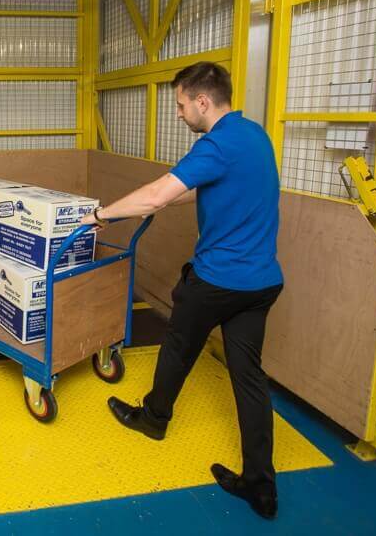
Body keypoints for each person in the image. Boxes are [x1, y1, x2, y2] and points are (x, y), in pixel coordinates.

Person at [80, 62, 284, 519]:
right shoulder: (255, 136)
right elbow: (209, 187)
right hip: (262, 282)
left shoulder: (216, 144)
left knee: (178, 346)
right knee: (249, 376)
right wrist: (173, 196)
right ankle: (261, 484)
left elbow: (154, 194)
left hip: (218, 280)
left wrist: (100, 216)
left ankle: (153, 418)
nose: (179, 114)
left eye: (180, 105)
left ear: (203, 102)